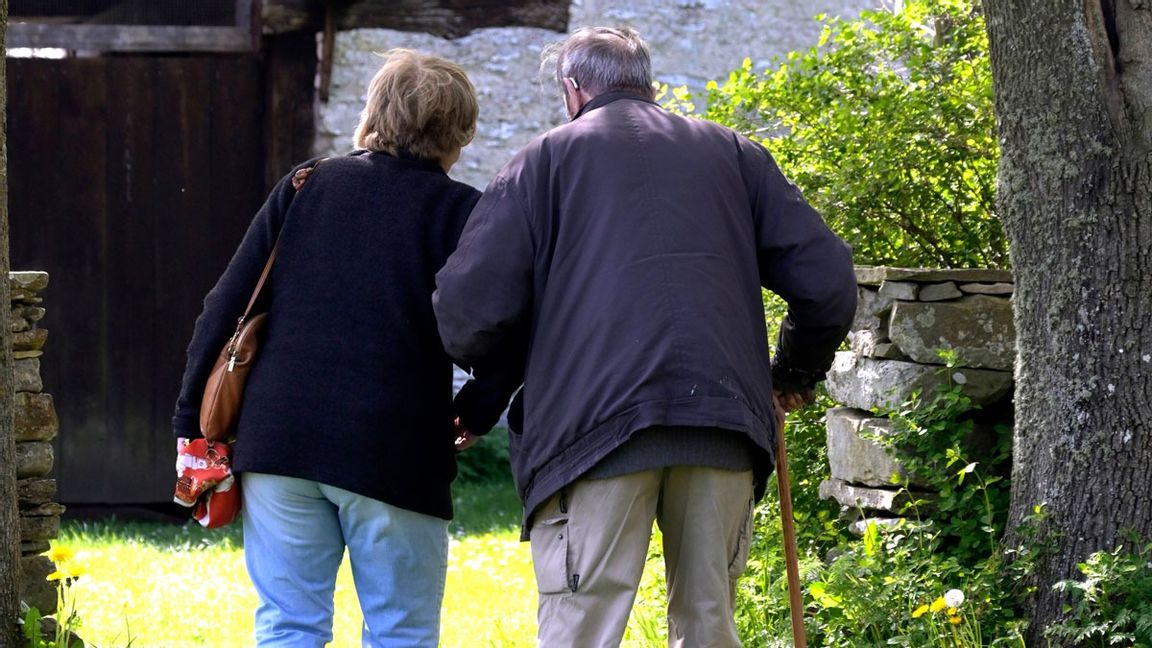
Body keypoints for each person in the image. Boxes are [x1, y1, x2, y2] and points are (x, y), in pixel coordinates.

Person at [433, 26, 857, 647]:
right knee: (708, 625)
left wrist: (501, 373)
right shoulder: (736, 155)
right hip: (721, 420)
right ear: (647, 82)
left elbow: (467, 312)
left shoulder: (541, 162)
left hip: (592, 430)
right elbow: (828, 283)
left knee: (583, 628)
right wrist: (791, 372)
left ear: (573, 90)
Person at [172, 49, 507, 647]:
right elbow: (506, 326)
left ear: (375, 111)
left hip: (277, 443)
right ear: (460, 131)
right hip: (394, 447)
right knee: (401, 632)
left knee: (288, 627)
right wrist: (480, 407)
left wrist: (187, 425)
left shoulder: (307, 184)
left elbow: (224, 309)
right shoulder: (464, 213)